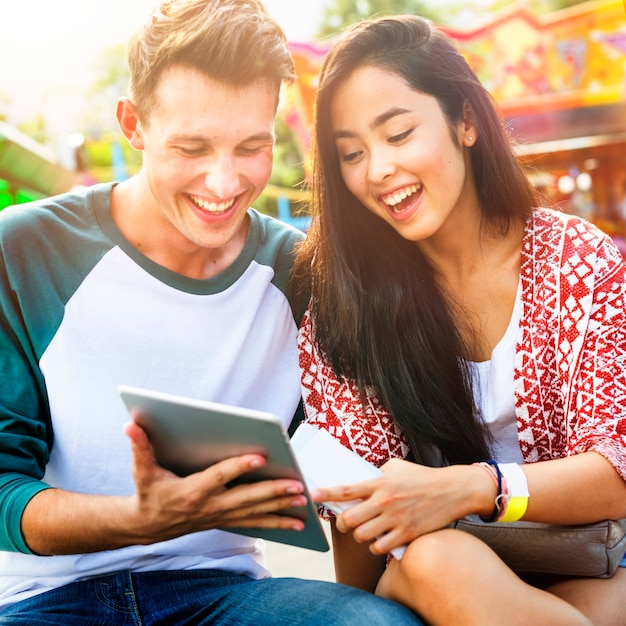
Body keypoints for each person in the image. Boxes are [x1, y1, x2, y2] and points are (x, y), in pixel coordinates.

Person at [0, 2, 424, 624]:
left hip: (223, 593)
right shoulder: (25, 250)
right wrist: (137, 522)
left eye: (252, 146)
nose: (223, 183)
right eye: (192, 147)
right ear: (133, 124)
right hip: (45, 601)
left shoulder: (303, 274)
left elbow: (353, 458)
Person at [291, 14, 626, 626]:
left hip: (590, 557)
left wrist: (476, 487)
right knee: (439, 565)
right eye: (352, 153)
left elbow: (617, 467)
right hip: (434, 578)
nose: (378, 170)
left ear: (466, 121)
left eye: (399, 134)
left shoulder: (579, 265)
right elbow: (362, 513)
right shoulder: (348, 307)